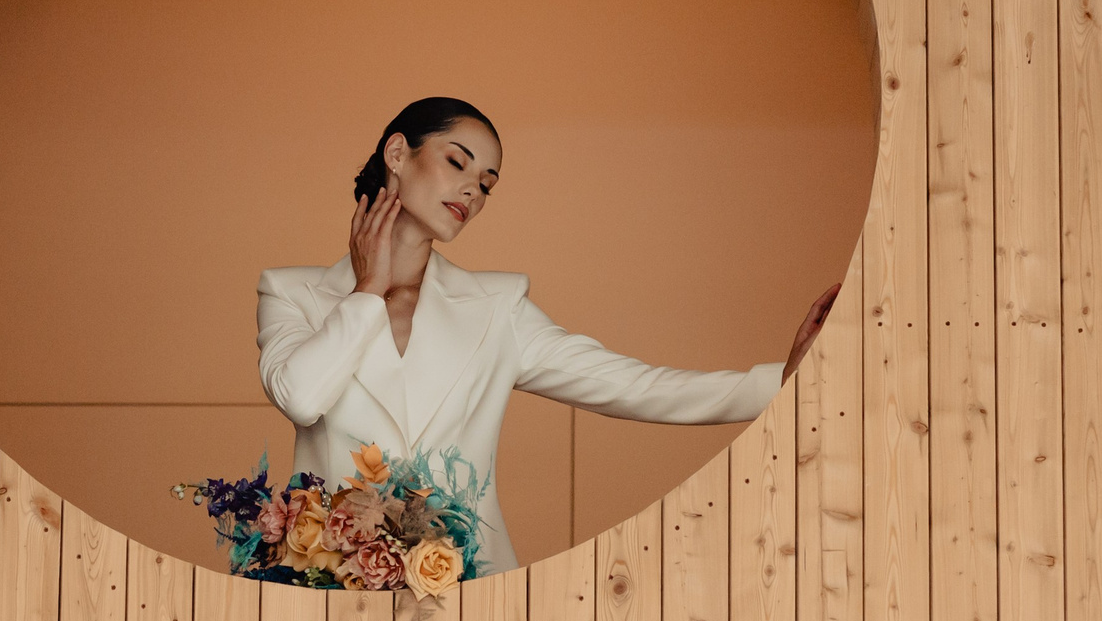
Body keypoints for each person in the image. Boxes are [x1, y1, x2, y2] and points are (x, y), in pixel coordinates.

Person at [254, 96, 837, 576]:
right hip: (323, 594)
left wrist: (782, 382)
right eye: (457, 163)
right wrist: (366, 292)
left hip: (471, 592)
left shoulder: (496, 309)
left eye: (487, 183)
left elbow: (628, 383)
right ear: (398, 152)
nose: (472, 193)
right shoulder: (292, 294)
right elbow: (302, 397)